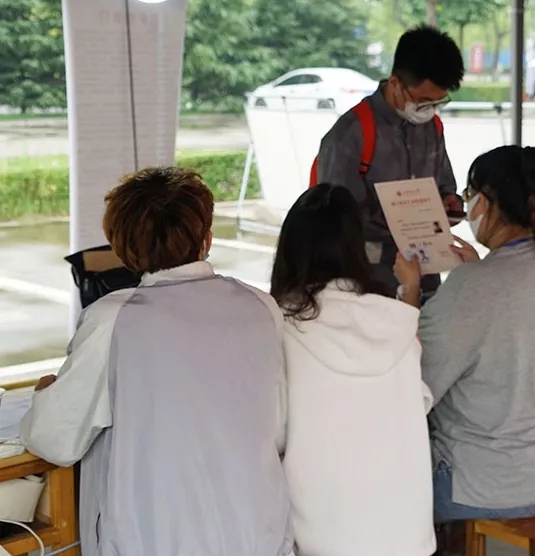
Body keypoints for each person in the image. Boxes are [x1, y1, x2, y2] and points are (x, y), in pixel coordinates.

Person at [20, 167, 292, 556]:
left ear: (122, 247)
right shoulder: (261, 307)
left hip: (153, 540)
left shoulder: (114, 319)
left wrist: (46, 395)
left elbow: (55, 440)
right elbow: (278, 427)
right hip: (257, 535)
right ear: (206, 239)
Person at [417, 146, 535, 547]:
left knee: (379, 485)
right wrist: (475, 273)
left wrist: (410, 291)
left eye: (468, 197)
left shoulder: (473, 285)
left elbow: (417, 386)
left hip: (497, 484)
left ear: (483, 202)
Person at [270, 183, 435, 556]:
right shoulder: (393, 321)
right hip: (406, 536)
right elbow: (420, 402)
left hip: (322, 538)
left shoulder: (280, 325)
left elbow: (271, 431)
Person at [313, 25, 465, 302]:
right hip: (369, 284)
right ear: (395, 83)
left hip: (426, 277)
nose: (429, 110)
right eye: (422, 101)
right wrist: (399, 223)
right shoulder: (350, 135)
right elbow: (335, 220)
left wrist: (449, 203)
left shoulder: (432, 128)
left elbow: (445, 185)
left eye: (437, 102)